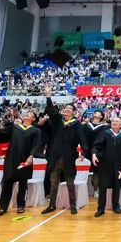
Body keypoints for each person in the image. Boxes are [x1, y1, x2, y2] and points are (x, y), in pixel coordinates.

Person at [41, 87, 88, 216]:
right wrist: (48, 96)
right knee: (53, 183)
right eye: (65, 109)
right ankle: (51, 205)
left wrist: (84, 152)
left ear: (73, 112)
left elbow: (82, 139)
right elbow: (51, 111)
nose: (66, 110)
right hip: (55, 157)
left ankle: (73, 205)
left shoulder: (76, 124)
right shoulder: (57, 121)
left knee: (70, 183)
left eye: (69, 109)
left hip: (68, 157)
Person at [0, 110, 42, 216]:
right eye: (26, 113)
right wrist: (11, 119)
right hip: (11, 158)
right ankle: (3, 207)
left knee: (22, 184)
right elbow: (2, 134)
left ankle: (21, 205)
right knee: (7, 183)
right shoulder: (15, 127)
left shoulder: (35, 131)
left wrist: (31, 157)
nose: (27, 115)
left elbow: (36, 145)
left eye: (30, 114)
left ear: (33, 119)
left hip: (24, 159)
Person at [91, 117, 121, 217]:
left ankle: (115, 206)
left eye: (117, 121)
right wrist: (94, 154)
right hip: (104, 164)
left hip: (118, 165)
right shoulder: (105, 133)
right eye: (113, 121)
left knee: (117, 185)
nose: (114, 122)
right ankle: (100, 208)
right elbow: (96, 145)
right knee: (102, 186)